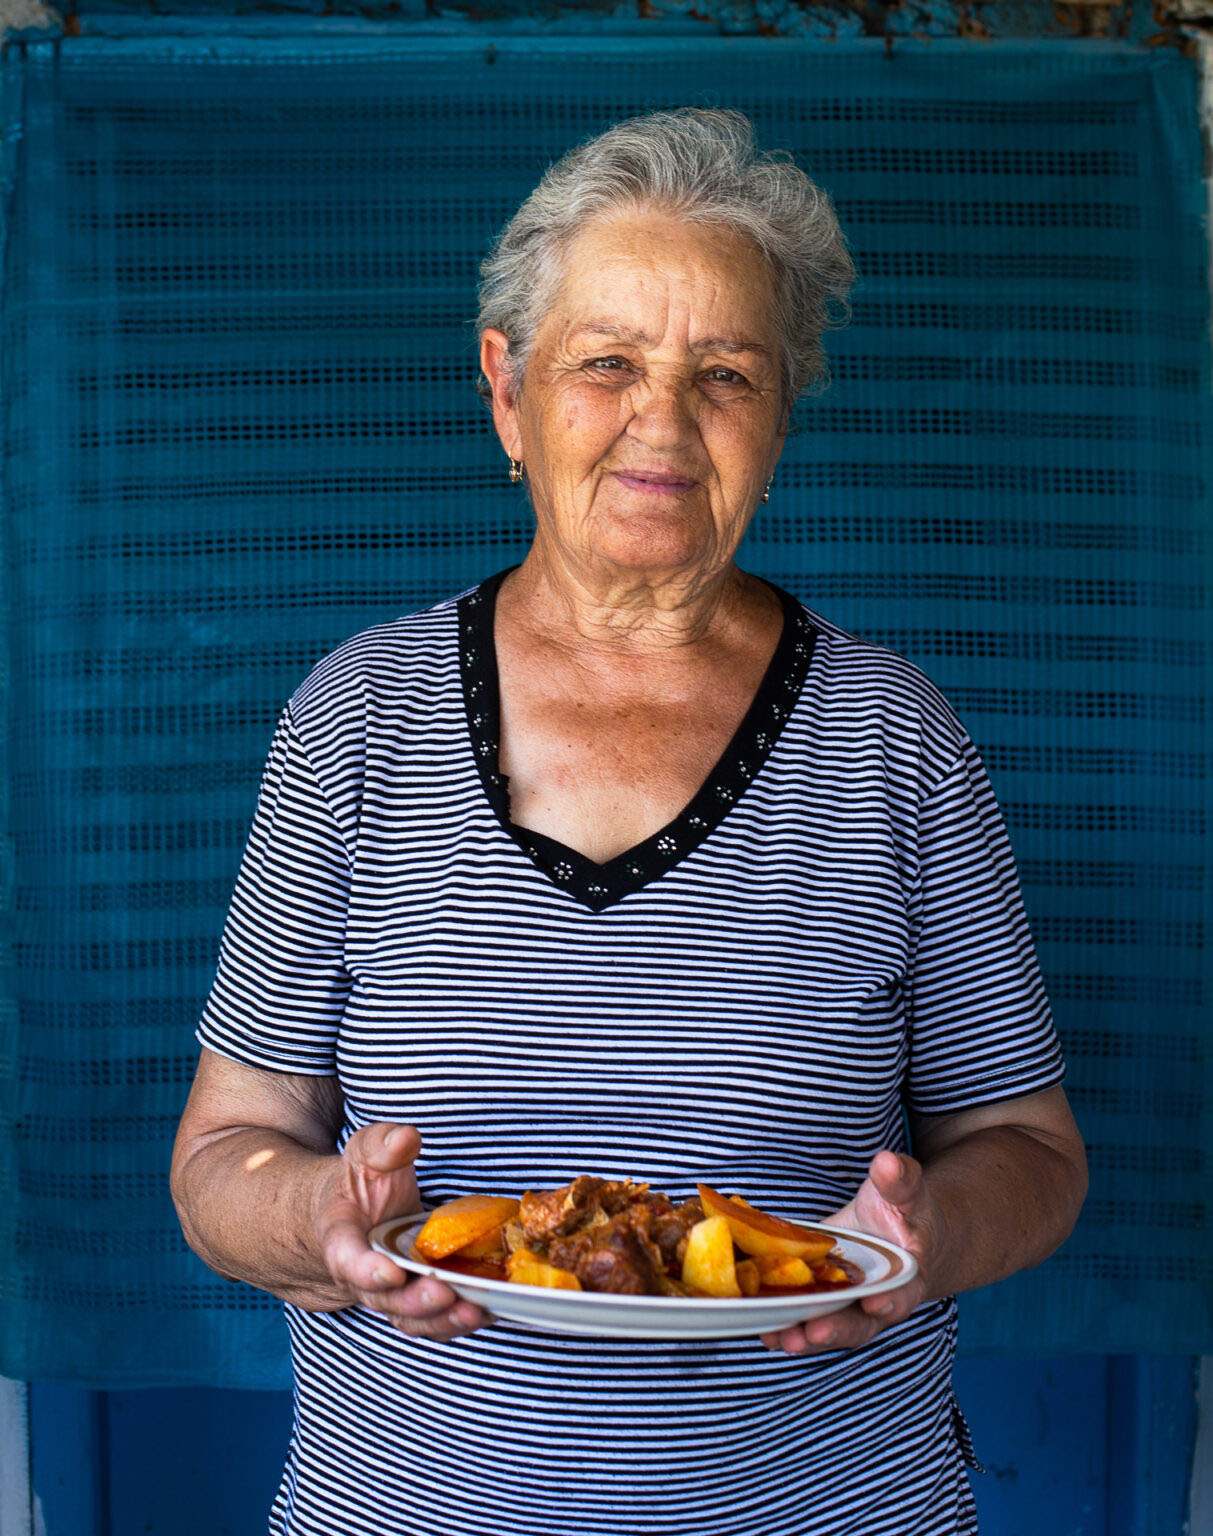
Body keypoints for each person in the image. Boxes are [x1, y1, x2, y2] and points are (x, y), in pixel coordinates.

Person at [171, 108, 1087, 1536]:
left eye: (724, 374)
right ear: (507, 391)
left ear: (779, 418)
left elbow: (1030, 1150)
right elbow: (228, 1145)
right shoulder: (357, 719)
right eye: (606, 364)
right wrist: (315, 1220)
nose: (661, 422)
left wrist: (928, 1235)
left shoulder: (894, 740)